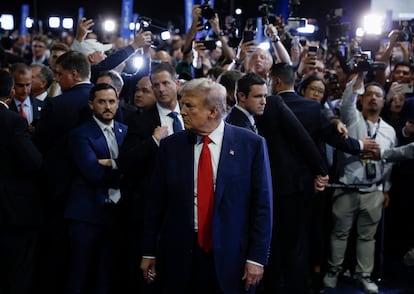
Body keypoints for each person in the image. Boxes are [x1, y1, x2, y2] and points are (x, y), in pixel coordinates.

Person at [140, 78, 273, 294]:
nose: (182, 111)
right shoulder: (171, 147)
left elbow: (262, 207)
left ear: (212, 112)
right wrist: (149, 252)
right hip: (180, 254)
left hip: (232, 256)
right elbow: (155, 203)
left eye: (189, 106)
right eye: (182, 104)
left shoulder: (251, 145)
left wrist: (257, 258)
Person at [323, 74, 396, 293]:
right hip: (346, 187)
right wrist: (360, 76)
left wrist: (386, 189)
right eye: (369, 94)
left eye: (378, 95)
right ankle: (333, 271)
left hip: (373, 190)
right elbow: (346, 101)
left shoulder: (389, 130)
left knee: (368, 237)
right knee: (339, 233)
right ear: (362, 99)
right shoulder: (351, 119)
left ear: (384, 101)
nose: (373, 98)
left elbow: (390, 163)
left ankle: (364, 274)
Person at [118, 62, 183, 293]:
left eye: (166, 83)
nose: (161, 89)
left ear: (177, 83)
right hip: (150, 207)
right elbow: (126, 161)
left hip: (186, 207)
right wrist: (153, 142)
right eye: (156, 85)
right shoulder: (140, 120)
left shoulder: (191, 113)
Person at [32, 50, 93, 294]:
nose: (56, 79)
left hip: (58, 191)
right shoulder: (105, 99)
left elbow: (39, 145)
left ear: (74, 74)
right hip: (94, 192)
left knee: (57, 254)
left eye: (59, 74)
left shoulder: (56, 105)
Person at [65, 83, 128, 294]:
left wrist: (110, 162)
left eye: (112, 101)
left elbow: (134, 167)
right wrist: (122, 166)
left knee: (108, 275)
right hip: (86, 215)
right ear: (91, 104)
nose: (108, 106)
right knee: (80, 274)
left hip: (117, 215)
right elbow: (93, 172)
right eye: (102, 102)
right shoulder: (80, 134)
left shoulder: (125, 131)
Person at [0, 69, 43, 294]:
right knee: (18, 271)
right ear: (10, 92)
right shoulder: (13, 122)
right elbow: (34, 162)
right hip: (13, 210)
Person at [9, 62, 43, 133]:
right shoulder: (5, 108)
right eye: (20, 85)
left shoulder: (43, 106)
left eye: (28, 85)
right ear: (12, 83)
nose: (25, 90)